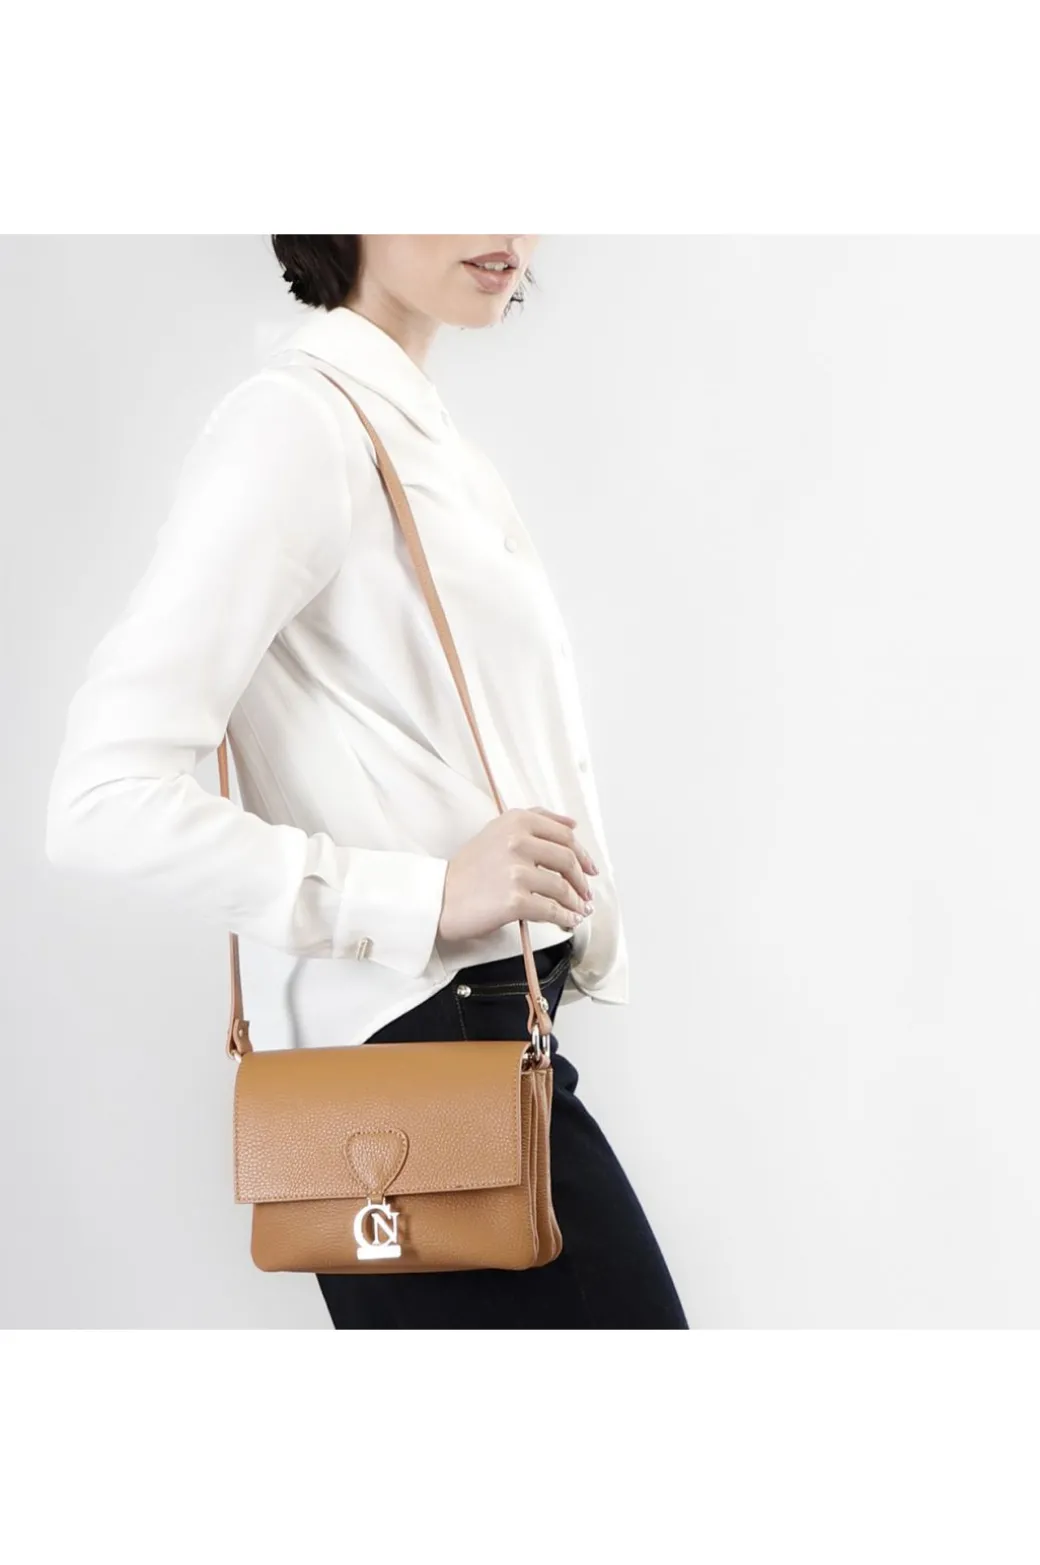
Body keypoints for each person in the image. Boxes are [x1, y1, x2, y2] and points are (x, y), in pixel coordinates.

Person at [44, 234, 688, 1330]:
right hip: (420, 1061)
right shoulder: (295, 428)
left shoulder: (410, 432)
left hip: (482, 1042)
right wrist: (421, 895)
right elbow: (101, 798)